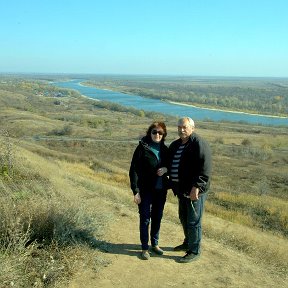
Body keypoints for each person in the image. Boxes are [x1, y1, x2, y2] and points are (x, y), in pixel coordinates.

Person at [169, 117, 212, 263]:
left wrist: (197, 187)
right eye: (179, 127)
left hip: (195, 191)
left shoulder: (199, 144)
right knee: (183, 218)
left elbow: (205, 168)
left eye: (185, 127)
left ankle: (194, 250)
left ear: (192, 128)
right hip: (181, 190)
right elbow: (169, 163)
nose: (181, 129)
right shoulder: (175, 145)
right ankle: (188, 242)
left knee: (193, 221)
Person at [129, 121, 169, 260]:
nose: (157, 134)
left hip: (160, 191)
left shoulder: (165, 150)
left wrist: (166, 169)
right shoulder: (142, 148)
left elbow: (170, 165)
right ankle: (145, 248)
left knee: (157, 217)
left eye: (160, 133)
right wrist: (135, 191)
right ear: (149, 133)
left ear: (164, 135)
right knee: (145, 218)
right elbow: (133, 170)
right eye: (154, 132)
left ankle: (155, 244)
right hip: (145, 191)